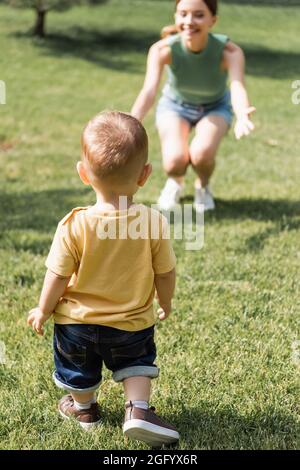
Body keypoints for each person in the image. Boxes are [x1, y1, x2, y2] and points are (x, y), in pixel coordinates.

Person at [27, 111, 179, 448]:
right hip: (133, 323)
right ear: (145, 175)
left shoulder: (74, 224)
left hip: (77, 325)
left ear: (83, 173)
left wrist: (43, 308)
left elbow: (57, 274)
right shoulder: (153, 222)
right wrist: (165, 302)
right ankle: (137, 408)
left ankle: (84, 410)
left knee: (79, 371)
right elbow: (165, 272)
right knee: (137, 364)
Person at [131, 0, 255, 212]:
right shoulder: (162, 50)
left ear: (212, 20)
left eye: (198, 15)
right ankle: (175, 182)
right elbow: (149, 90)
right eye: (183, 14)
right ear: (175, 17)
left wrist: (242, 114)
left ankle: (203, 186)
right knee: (174, 161)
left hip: (215, 107)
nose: (189, 21)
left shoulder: (230, 52)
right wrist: (132, 121)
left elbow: (236, 86)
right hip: (175, 106)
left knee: (202, 154)